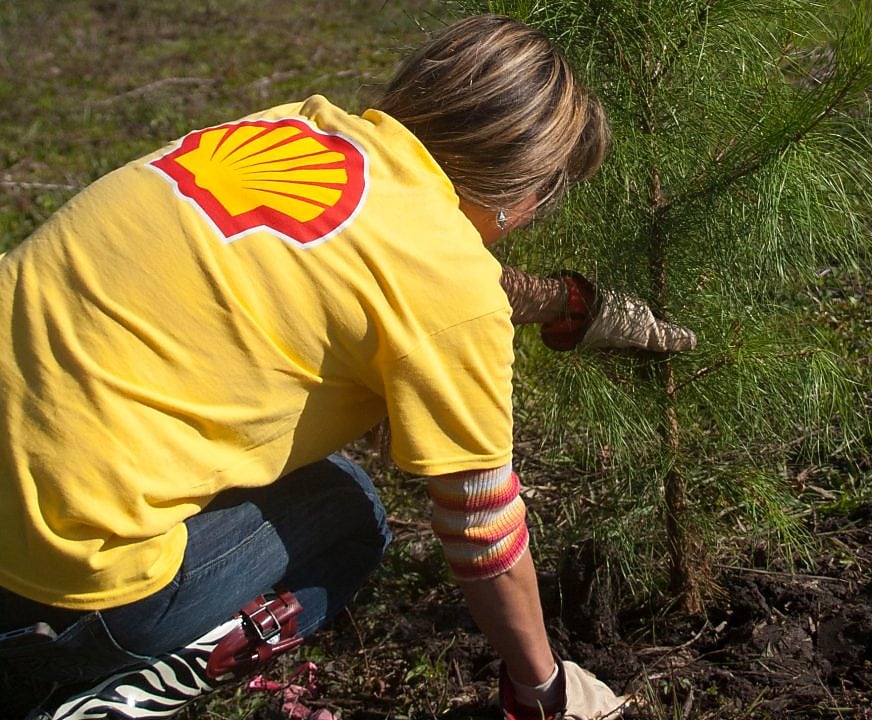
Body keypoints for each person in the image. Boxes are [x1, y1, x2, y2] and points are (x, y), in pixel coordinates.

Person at [0, 14, 692, 720]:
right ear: (529, 189)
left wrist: (564, 304)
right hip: (56, 575)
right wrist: (545, 687)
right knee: (349, 512)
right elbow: (483, 529)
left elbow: (395, 263)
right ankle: (103, 693)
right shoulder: (450, 290)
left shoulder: (298, 127)